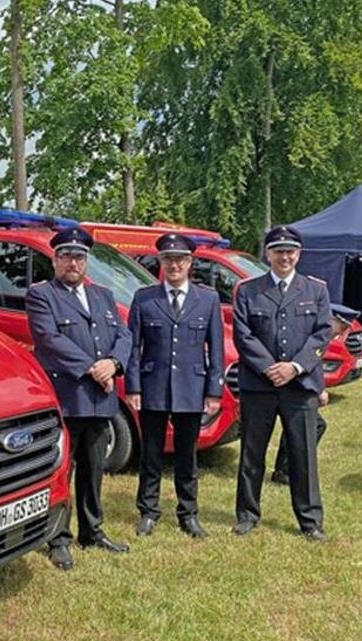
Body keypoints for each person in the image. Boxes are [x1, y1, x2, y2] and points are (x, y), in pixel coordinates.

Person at [26, 225, 132, 570]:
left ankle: (93, 530)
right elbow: (49, 339)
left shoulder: (101, 295)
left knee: (94, 469)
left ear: (87, 262)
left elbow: (123, 334)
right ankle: (58, 538)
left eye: (79, 257)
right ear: (55, 261)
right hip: (69, 397)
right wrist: (93, 368)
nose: (73, 262)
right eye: (66, 256)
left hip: (101, 399)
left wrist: (114, 363)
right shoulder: (42, 295)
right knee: (62, 472)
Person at [232, 225, 331, 541]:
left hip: (299, 386)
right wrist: (270, 368)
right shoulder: (248, 290)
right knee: (252, 454)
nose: (284, 257)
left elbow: (322, 333)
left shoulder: (316, 290)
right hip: (259, 386)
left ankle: (310, 521)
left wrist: (295, 367)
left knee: (303, 457)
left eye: (290, 251)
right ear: (268, 254)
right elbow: (243, 335)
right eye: (278, 251)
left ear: (298, 254)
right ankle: (247, 515)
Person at [126, 233, 224, 539]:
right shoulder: (144, 298)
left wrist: (214, 390)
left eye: (180, 259)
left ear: (190, 263)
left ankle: (188, 513)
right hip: (153, 386)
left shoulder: (207, 299)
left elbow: (216, 349)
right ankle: (148, 511)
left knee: (186, 455)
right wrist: (133, 387)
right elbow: (132, 347)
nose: (174, 265)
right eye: (168, 259)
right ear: (160, 263)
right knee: (151, 454)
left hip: (191, 388)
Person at [271, 304, 358, 484]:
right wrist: (319, 391)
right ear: (332, 319)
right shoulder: (318, 333)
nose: (339, 334)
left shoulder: (316, 331)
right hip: (292, 386)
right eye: (341, 328)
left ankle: (286, 469)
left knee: (302, 426)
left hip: (294, 386)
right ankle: (285, 471)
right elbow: (309, 364)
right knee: (311, 425)